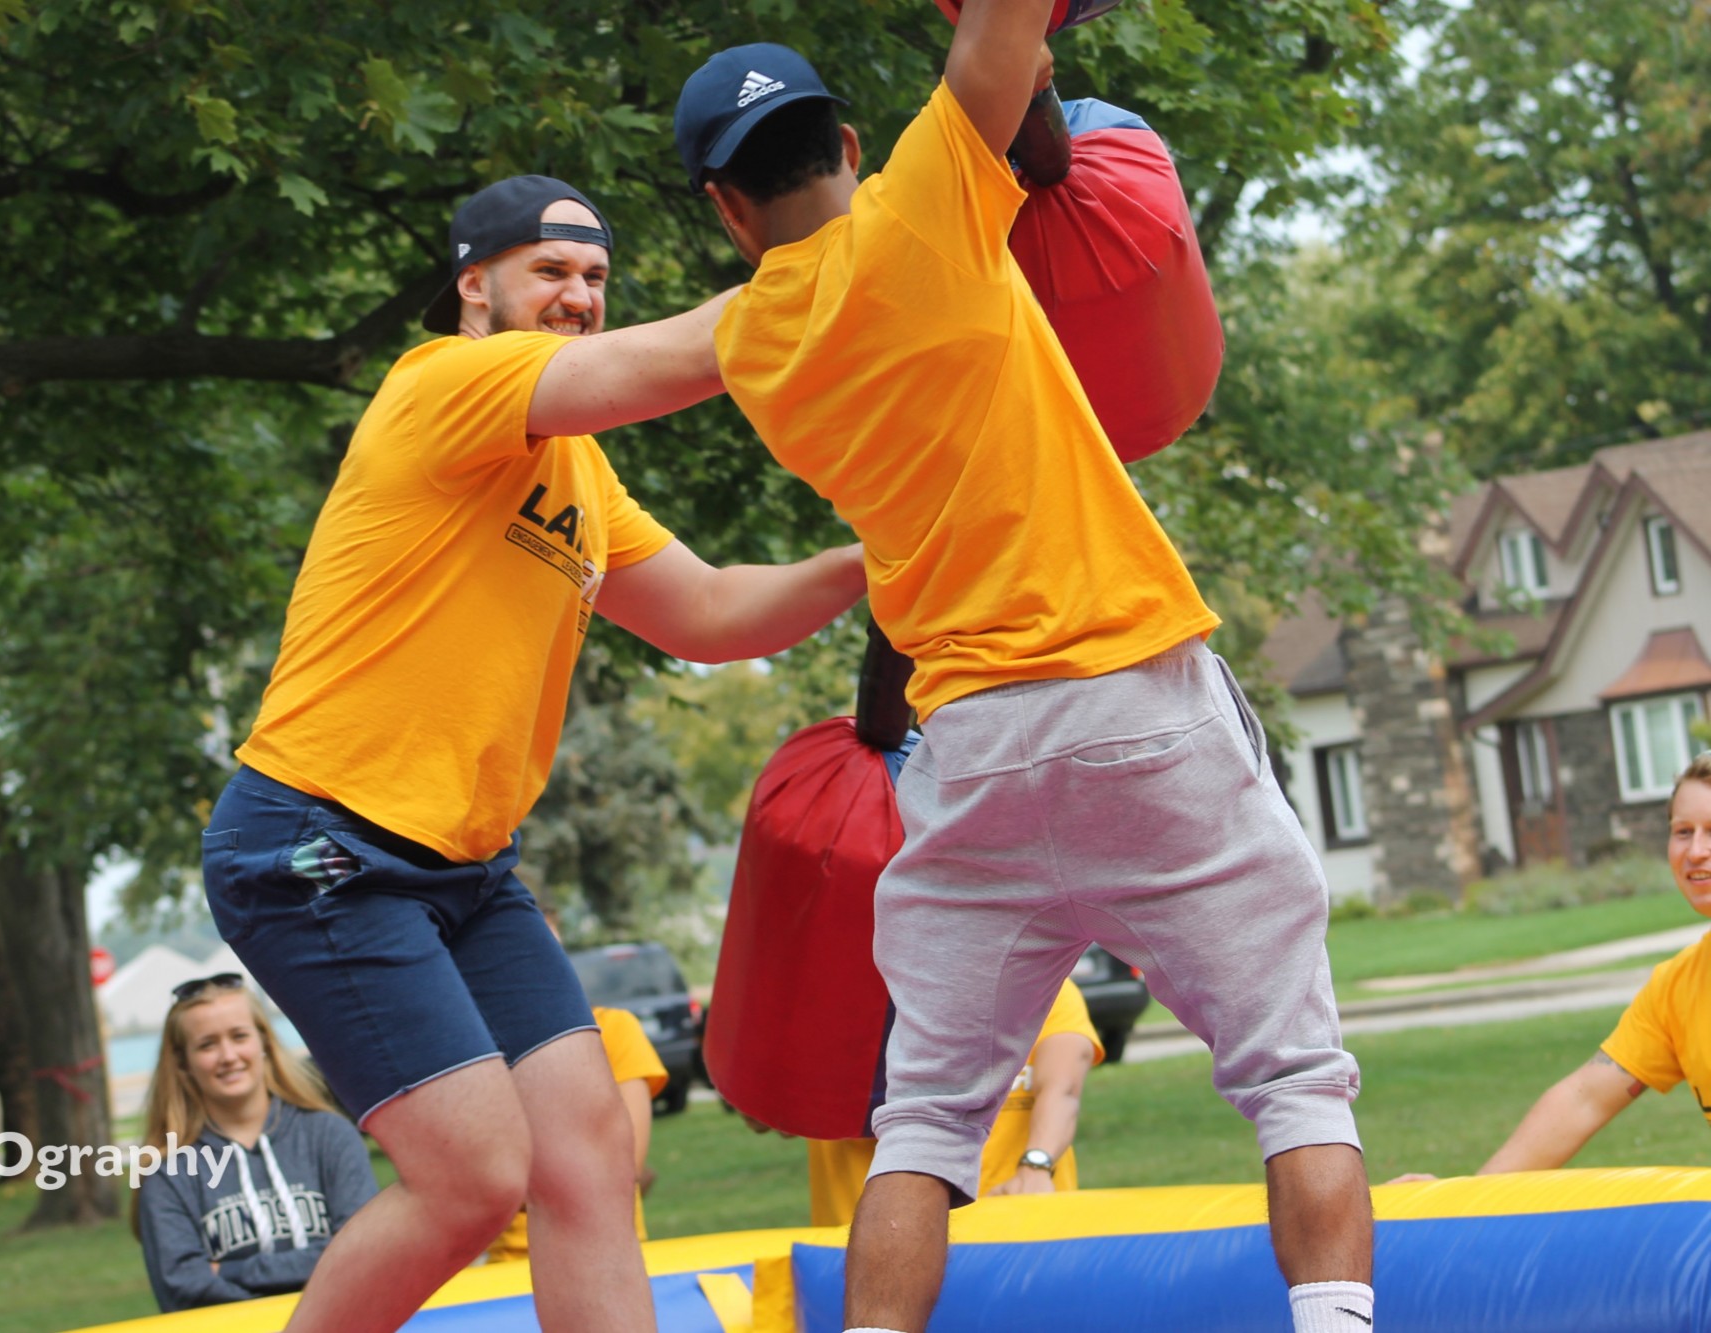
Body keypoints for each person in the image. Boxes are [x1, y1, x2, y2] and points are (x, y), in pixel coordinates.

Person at [671, 9, 1373, 1332]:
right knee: (1296, 1082)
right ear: (848, 142)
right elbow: (999, 64)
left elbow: (616, 371)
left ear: (726, 212)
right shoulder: (928, 202)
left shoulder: (753, 347)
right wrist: (1032, 35)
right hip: (1131, 699)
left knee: (924, 1127)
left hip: (973, 748)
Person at [201, 173, 867, 1333]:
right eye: (549, 272)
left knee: (587, 1160)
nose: (577, 296)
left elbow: (708, 612)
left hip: (463, 871)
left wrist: (878, 558)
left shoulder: (576, 469)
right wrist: (855, 258)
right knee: (472, 1179)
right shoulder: (447, 380)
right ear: (476, 287)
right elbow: (671, 361)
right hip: (318, 843)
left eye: (596, 278)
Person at [1396, 754, 1711, 1179]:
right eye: (1683, 832)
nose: (1696, 851)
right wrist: (1462, 1201)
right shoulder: (1676, 988)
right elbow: (1584, 1100)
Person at [133, 975, 378, 1313]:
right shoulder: (167, 1170)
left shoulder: (331, 1136)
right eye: (207, 1045)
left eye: (239, 1036)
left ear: (263, 1040)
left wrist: (231, 1271)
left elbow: (365, 1256)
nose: (228, 1056)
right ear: (182, 1062)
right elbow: (182, 1287)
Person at [808, 979, 1100, 1227]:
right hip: (869, 1239)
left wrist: (1035, 1166)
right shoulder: (825, 996)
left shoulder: (1041, 985)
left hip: (1020, 1226)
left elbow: (1062, 1088)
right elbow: (769, 1109)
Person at [487, 1005, 669, 1262]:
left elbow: (623, 1168)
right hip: (514, 1267)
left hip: (616, 1258)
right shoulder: (471, 1043)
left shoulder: (610, 1026)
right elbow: (482, 1182)